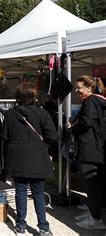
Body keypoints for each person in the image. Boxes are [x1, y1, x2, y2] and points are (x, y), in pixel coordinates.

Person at [2, 83, 57, 236]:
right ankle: (43, 228)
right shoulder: (42, 113)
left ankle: (20, 226)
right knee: (38, 193)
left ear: (18, 96)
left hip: (17, 157)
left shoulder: (10, 114)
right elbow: (52, 136)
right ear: (34, 96)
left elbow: (4, 137)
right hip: (37, 157)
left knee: (20, 191)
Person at [70, 76, 106, 230]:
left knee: (91, 184)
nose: (76, 90)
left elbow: (86, 122)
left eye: (79, 87)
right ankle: (93, 211)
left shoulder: (91, 101)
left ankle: (96, 218)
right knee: (93, 184)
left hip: (89, 147)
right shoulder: (98, 100)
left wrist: (72, 129)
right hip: (95, 146)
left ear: (89, 87)